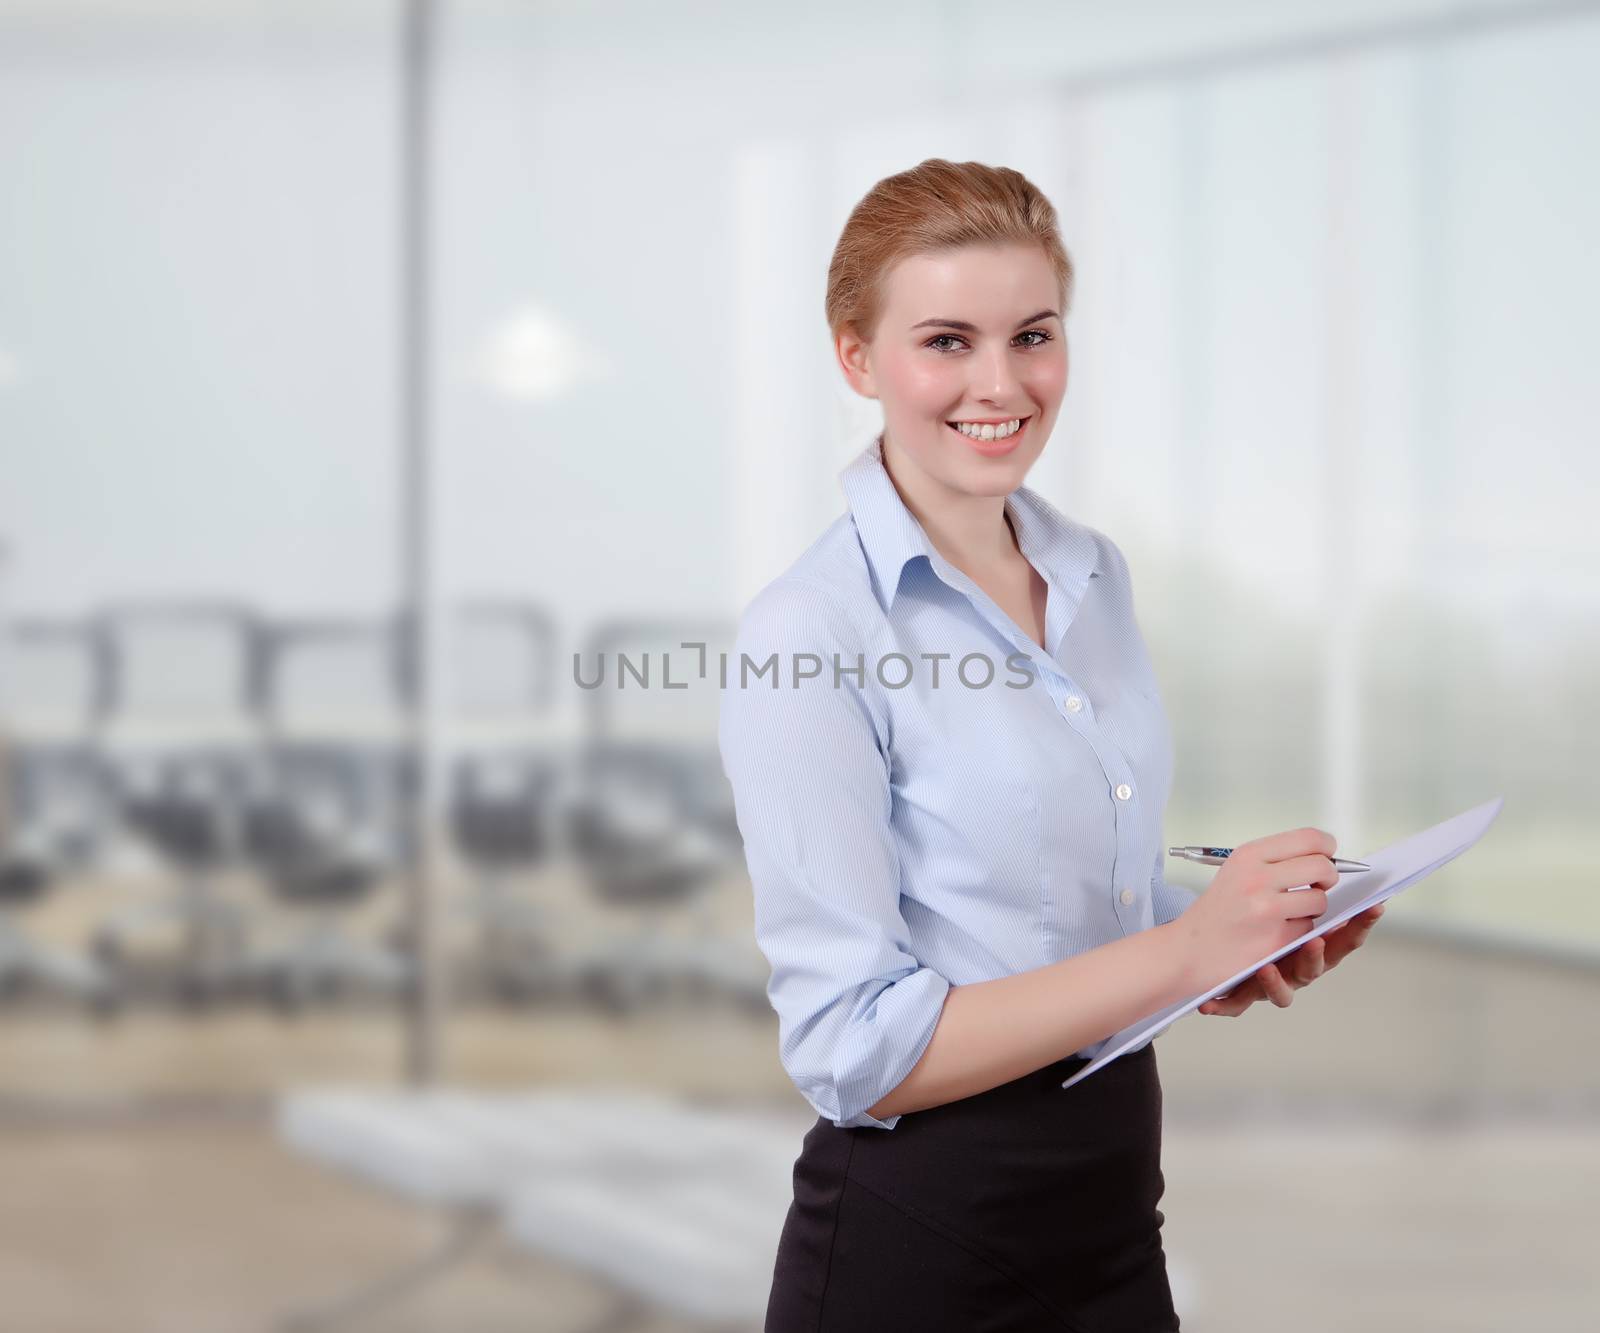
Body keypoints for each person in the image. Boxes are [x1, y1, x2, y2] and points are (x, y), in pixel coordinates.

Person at [716, 158, 1385, 1333]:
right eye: (946, 341)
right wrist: (1179, 956)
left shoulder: (1090, 574)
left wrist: (1225, 954)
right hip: (920, 1247)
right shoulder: (810, 631)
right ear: (857, 358)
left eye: (1032, 334)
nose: (1000, 382)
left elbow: (1067, 943)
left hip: (1115, 1219)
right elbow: (852, 1046)